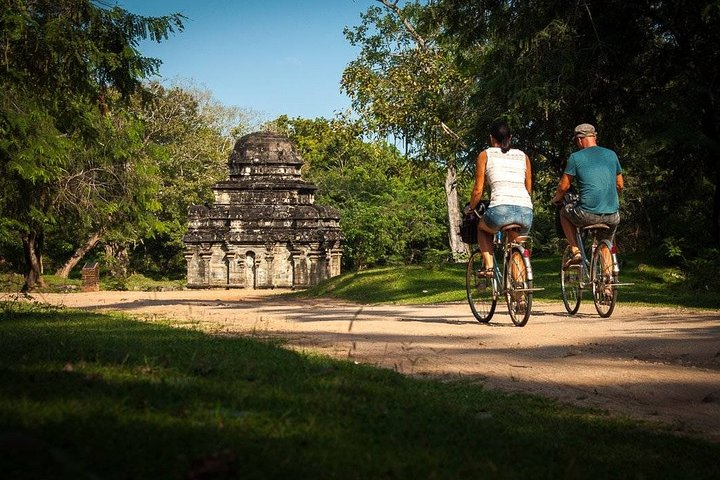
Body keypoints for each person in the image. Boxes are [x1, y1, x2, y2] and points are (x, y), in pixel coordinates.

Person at [551, 123, 624, 268]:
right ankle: (608, 285)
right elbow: (620, 185)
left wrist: (556, 199)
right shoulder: (611, 155)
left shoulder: (576, 157)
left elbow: (563, 186)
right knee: (606, 244)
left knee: (564, 213)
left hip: (587, 214)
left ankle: (575, 250)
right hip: (612, 215)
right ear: (595, 137)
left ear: (579, 140)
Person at [467, 119, 533, 275]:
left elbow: (478, 190)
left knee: (482, 229)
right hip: (526, 212)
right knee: (515, 245)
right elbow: (528, 188)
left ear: (491, 138)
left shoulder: (485, 155)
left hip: (500, 211)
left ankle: (488, 266)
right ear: (510, 138)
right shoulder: (523, 156)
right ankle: (519, 292)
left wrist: (471, 207)